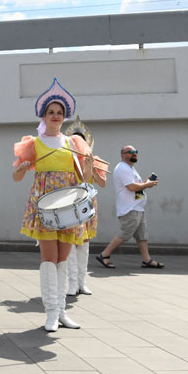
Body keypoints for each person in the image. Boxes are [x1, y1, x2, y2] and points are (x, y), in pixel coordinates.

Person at [12, 78, 94, 332]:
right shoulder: (34, 144)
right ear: (44, 116)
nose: (56, 116)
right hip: (45, 207)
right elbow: (16, 176)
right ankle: (50, 314)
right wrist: (23, 169)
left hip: (68, 207)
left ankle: (61, 312)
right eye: (51, 112)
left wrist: (89, 166)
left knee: (63, 259)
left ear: (64, 116)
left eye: (59, 112)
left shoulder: (73, 143)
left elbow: (84, 179)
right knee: (49, 259)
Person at [96, 145, 163, 269]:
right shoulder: (122, 168)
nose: (134, 153)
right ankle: (104, 254)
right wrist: (146, 185)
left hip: (138, 208)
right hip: (129, 208)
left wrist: (145, 183)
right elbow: (131, 187)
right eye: (131, 151)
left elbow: (136, 186)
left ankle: (146, 260)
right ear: (123, 155)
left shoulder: (130, 169)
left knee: (142, 236)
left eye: (136, 151)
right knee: (125, 233)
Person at [63, 116, 107, 296]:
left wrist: (92, 167)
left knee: (85, 241)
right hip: (70, 202)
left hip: (87, 202)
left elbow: (102, 183)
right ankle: (73, 283)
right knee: (72, 240)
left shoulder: (95, 159)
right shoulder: (66, 159)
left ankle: (82, 281)